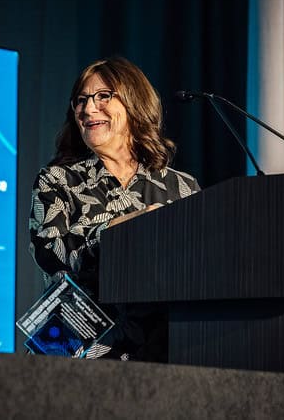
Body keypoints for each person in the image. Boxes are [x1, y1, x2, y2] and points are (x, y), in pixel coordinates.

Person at [29, 57, 200, 362]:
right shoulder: (58, 180)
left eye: (103, 96)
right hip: (77, 351)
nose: (88, 108)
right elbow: (50, 253)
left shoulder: (182, 187)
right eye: (81, 100)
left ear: (135, 102)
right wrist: (116, 231)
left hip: (162, 354)